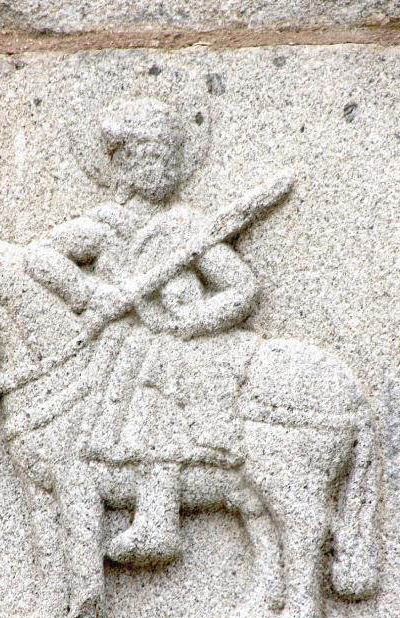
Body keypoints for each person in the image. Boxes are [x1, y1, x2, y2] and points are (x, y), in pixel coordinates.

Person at [26, 98, 260, 566]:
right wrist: (89, 292)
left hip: (175, 342)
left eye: (172, 158)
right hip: (114, 346)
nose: (164, 169)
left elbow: (242, 288)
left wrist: (192, 320)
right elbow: (40, 257)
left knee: (166, 379)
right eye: (152, 157)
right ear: (123, 166)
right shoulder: (103, 226)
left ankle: (158, 517)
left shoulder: (189, 229)